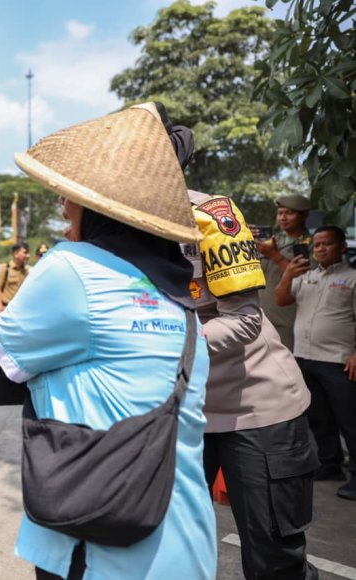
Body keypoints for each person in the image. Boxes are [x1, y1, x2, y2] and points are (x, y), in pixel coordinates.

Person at [0, 104, 217, 579]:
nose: (61, 206)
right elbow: (28, 384)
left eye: (70, 196)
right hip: (182, 540)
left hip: (100, 541)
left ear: (101, 209)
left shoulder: (71, 269)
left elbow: (1, 365)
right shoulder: (180, 300)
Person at [159, 106, 319, 579]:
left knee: (273, 559)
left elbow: (245, 321)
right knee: (167, 550)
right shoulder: (111, 229)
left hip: (254, 409)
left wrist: (153, 342)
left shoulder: (212, 216)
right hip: (180, 410)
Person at [276, 225, 356, 500]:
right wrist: (288, 272)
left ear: (342, 247)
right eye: (317, 244)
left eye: (327, 244)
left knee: (350, 420)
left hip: (339, 361)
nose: (320, 249)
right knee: (319, 418)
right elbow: (282, 298)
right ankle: (330, 464)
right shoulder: (306, 276)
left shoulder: (353, 278)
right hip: (305, 357)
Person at [254, 195, 312, 351]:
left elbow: (308, 279)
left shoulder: (312, 244)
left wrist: (275, 256)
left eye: (289, 213)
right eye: (280, 213)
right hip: (261, 315)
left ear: (304, 216)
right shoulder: (273, 240)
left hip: (287, 318)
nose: (283, 218)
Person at [0, 242, 31, 314]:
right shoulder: (5, 268)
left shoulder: (26, 271)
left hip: (21, 311)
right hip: (6, 310)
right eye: (25, 253)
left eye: (28, 253)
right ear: (16, 254)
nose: (28, 256)